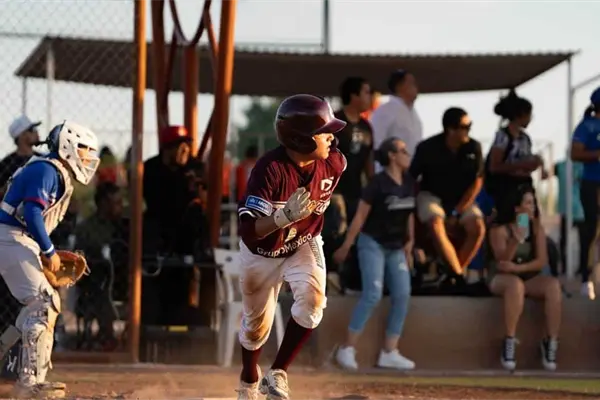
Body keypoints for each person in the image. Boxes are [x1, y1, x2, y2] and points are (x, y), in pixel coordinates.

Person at [236, 94, 347, 400]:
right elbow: (249, 232)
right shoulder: (269, 169)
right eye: (324, 132)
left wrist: (296, 222)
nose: (332, 138)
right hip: (262, 251)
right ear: (301, 139)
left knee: (313, 303)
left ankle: (278, 372)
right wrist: (282, 217)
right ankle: (249, 379)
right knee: (255, 329)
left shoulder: (334, 163)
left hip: (303, 242)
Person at [0, 121, 100, 398]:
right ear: (67, 145)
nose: (87, 157)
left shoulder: (51, 169)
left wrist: (42, 249)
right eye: (83, 149)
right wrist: (48, 251)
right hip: (10, 237)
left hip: (13, 237)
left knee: (39, 304)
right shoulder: (48, 169)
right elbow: (32, 213)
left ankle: (5, 354)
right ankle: (29, 384)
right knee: (44, 303)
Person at [333, 137, 415, 371]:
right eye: (403, 151)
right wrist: (347, 245)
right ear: (392, 155)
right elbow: (360, 216)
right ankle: (347, 349)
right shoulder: (377, 183)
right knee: (372, 294)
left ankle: (389, 352)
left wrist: (410, 243)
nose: (407, 155)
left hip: (396, 246)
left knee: (402, 294)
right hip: (373, 243)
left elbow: (409, 214)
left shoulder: (409, 182)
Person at [486, 184, 561, 371]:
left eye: (533, 203)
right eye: (527, 203)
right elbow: (503, 262)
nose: (532, 208)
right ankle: (509, 341)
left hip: (525, 276)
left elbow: (541, 261)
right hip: (501, 278)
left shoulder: (537, 230)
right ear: (517, 208)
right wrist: (516, 239)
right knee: (515, 286)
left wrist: (519, 268)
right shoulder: (499, 231)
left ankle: (550, 342)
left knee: (552, 286)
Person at [409, 107, 485, 276]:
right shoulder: (427, 148)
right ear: (450, 129)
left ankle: (453, 274)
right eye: (465, 127)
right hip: (432, 196)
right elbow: (411, 177)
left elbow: (477, 182)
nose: (469, 131)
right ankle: (457, 275)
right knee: (436, 222)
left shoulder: (474, 147)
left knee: (478, 226)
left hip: (462, 199)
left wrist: (457, 212)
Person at [484, 90, 547, 212]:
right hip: (505, 189)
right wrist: (520, 165)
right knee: (510, 217)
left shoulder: (525, 138)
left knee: (527, 215)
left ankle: (524, 225)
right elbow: (494, 166)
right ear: (521, 115)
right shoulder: (503, 137)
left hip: (523, 188)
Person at [571, 86, 600, 299]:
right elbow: (575, 153)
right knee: (593, 229)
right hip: (593, 184)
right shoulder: (587, 126)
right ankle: (586, 279)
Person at [333, 76, 374, 221]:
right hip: (333, 195)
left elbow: (369, 161)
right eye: (367, 92)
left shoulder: (366, 127)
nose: (370, 97)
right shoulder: (333, 122)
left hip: (356, 194)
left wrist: (372, 190)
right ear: (354, 96)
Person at [370, 69, 422, 158]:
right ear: (399, 86)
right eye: (411, 83)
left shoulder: (413, 112)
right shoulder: (385, 110)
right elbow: (376, 143)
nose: (415, 86)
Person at [0, 115, 42, 197]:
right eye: (32, 129)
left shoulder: (43, 158)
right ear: (21, 135)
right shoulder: (6, 164)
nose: (37, 132)